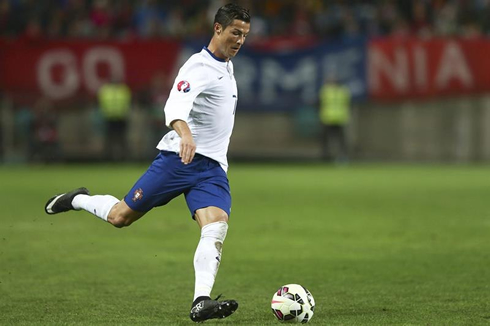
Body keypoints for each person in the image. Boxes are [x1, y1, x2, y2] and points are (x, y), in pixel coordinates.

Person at [44, 3, 251, 323]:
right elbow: (175, 106)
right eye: (235, 33)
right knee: (120, 217)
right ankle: (78, 199)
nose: (240, 40)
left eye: (245, 35)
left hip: (211, 169)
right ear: (218, 29)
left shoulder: (226, 65)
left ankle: (201, 301)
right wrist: (185, 134)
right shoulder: (198, 67)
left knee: (216, 227)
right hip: (178, 160)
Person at [97, 75, 132, 161]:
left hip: (121, 117)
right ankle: (108, 158)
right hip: (109, 118)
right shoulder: (107, 90)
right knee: (110, 140)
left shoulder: (121, 90)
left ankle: (123, 158)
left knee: (121, 140)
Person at [318, 76, 351, 162]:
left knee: (338, 140)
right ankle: (330, 157)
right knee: (331, 140)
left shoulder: (326, 91)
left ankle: (339, 157)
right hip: (333, 118)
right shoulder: (342, 91)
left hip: (334, 118)